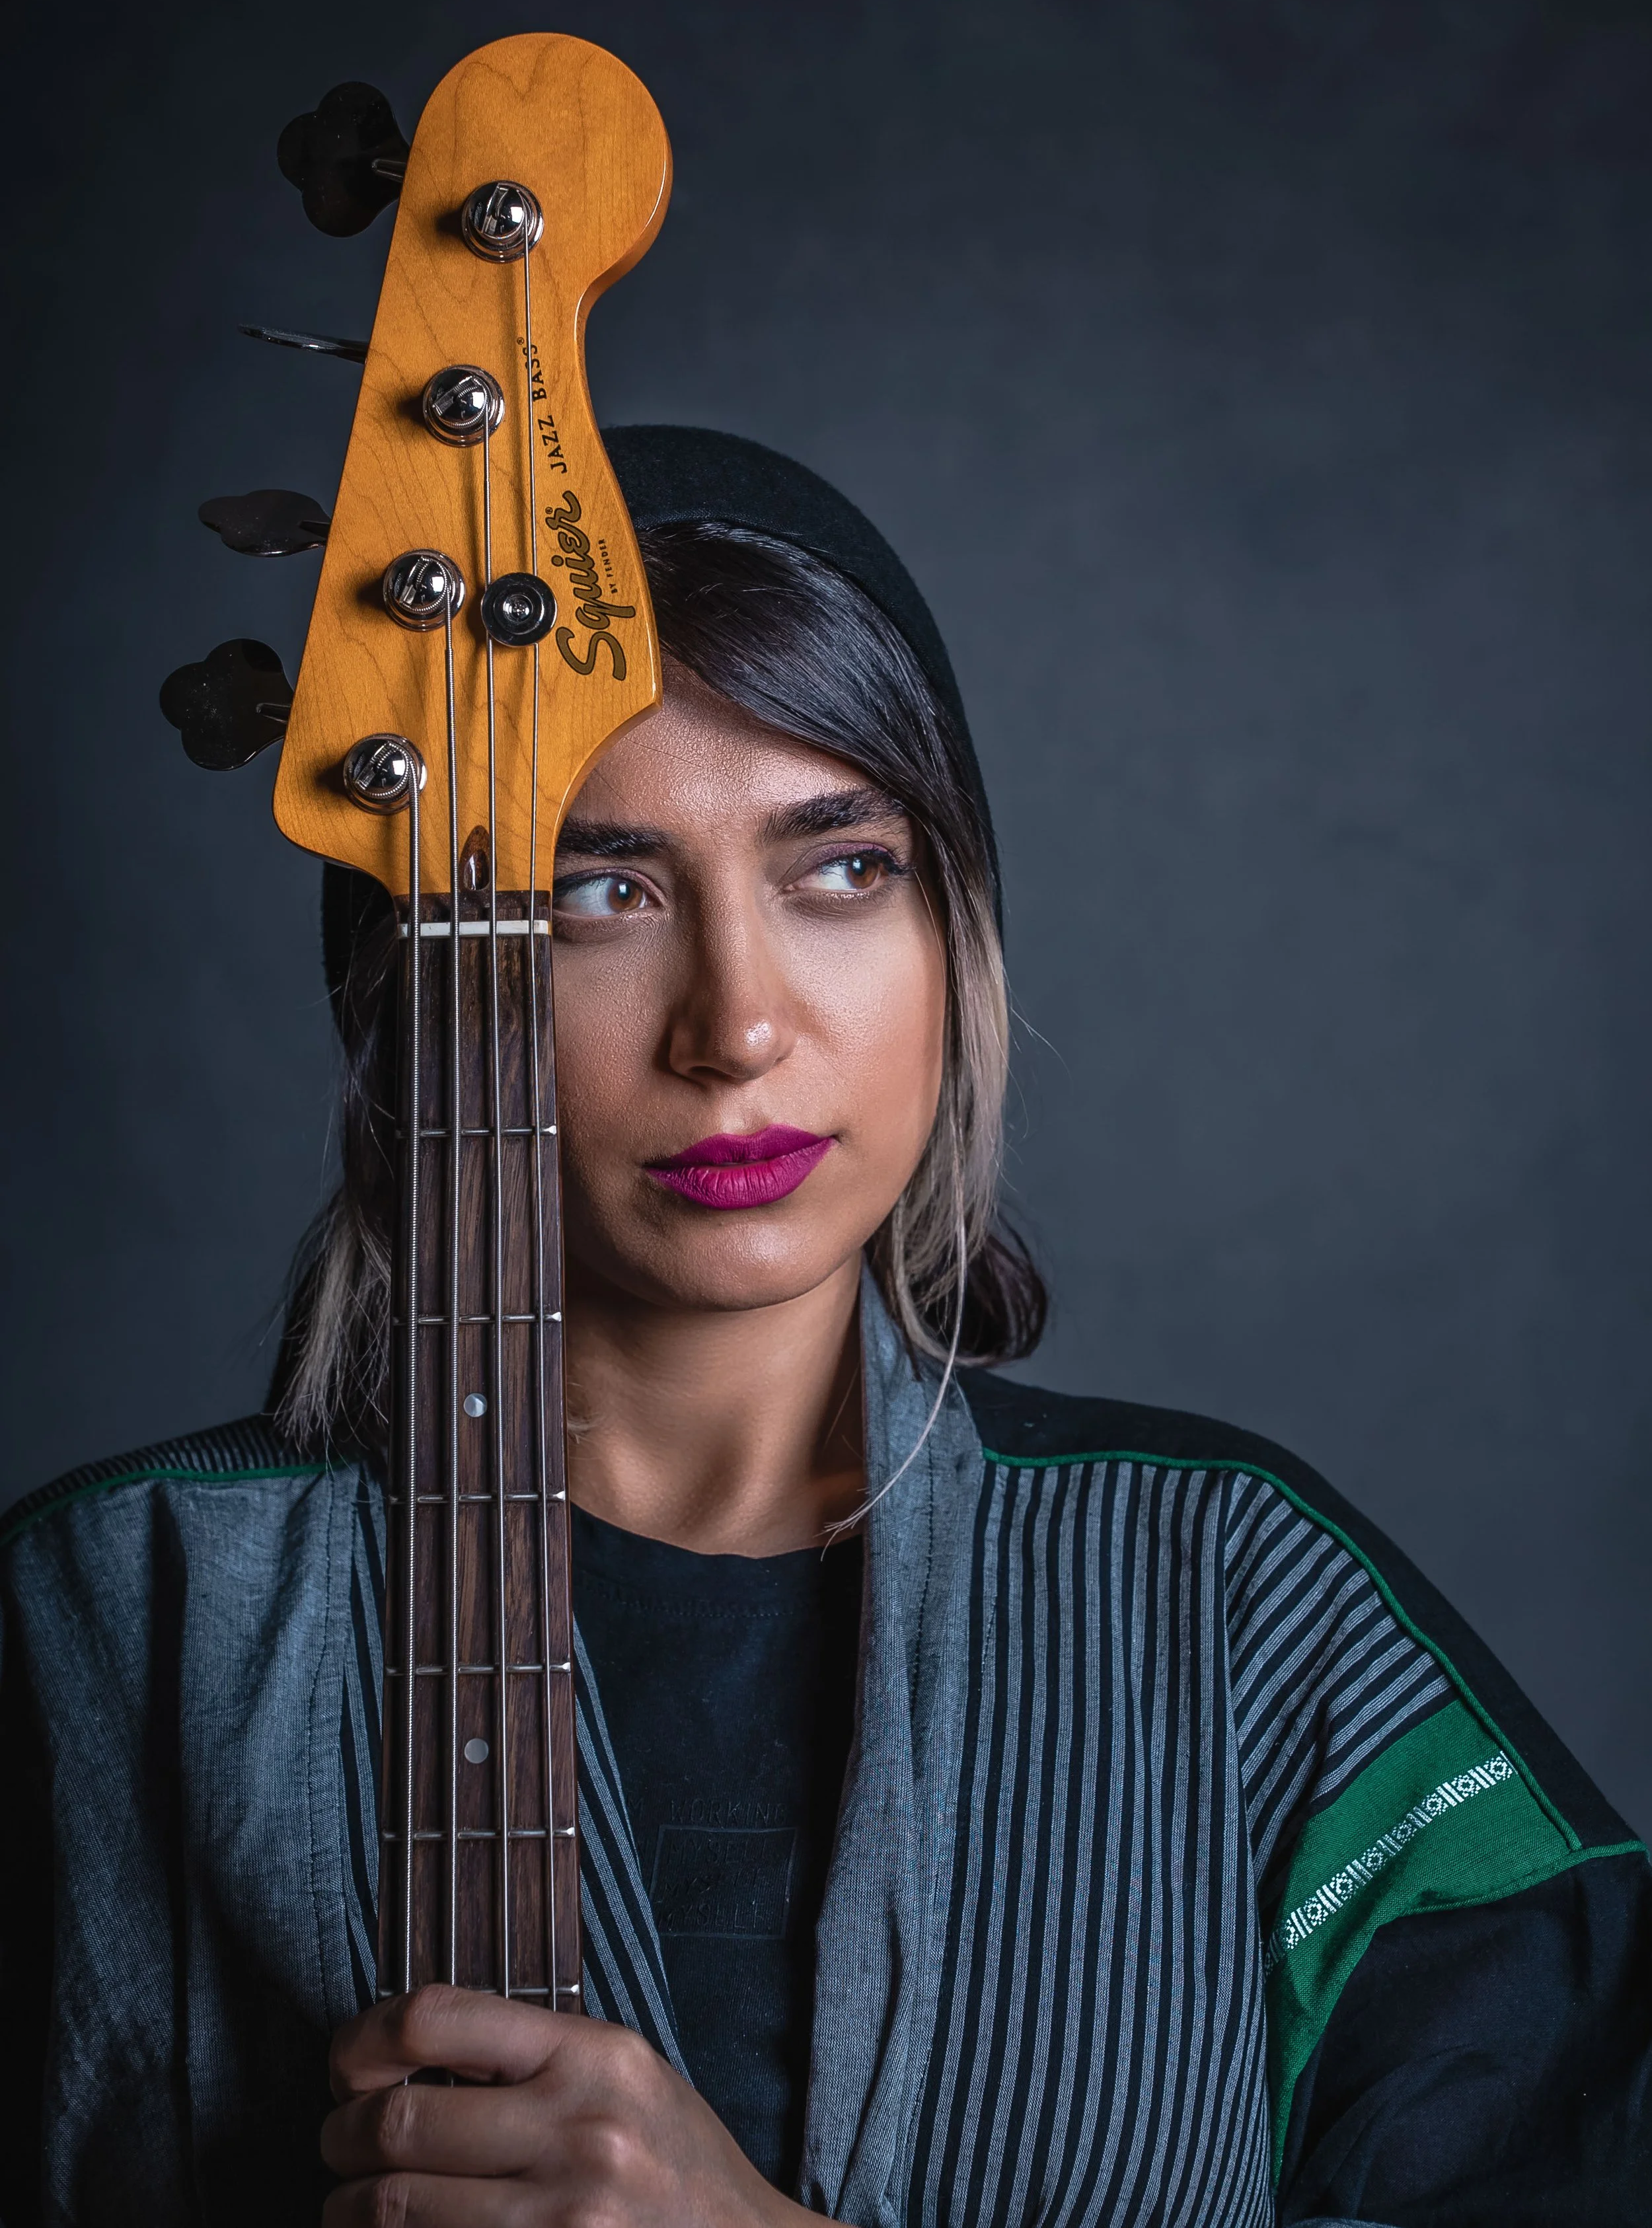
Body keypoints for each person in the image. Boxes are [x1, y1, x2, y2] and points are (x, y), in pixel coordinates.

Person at [1, 428, 1646, 2228]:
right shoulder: (116, 1619)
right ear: (416, 988)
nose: (736, 1027)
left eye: (842, 870)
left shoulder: (1240, 1599)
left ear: (956, 935)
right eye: (596, 893)